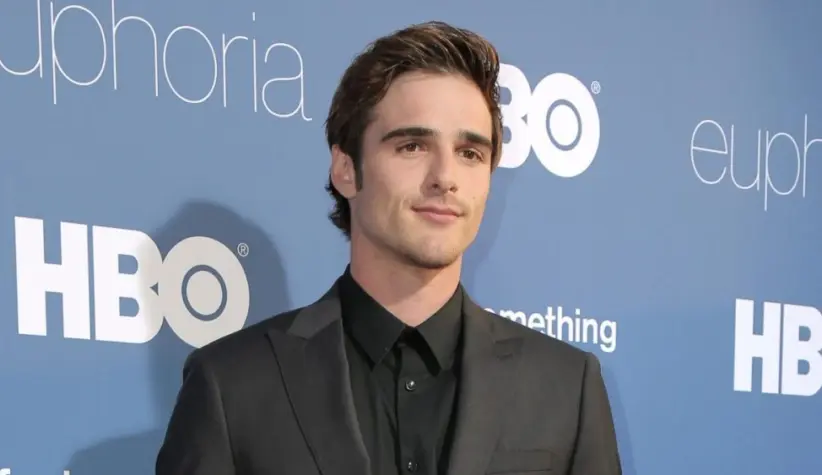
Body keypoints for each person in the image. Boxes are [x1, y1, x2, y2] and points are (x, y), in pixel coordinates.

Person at [155, 20, 622, 475]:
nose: (446, 177)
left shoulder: (566, 388)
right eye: (413, 146)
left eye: (470, 153)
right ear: (346, 168)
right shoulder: (232, 385)